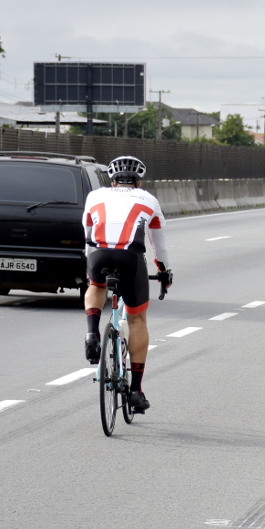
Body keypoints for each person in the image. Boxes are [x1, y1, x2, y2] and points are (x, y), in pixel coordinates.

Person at [82, 155, 172, 413]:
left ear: (111, 181)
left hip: (98, 255)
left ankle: (92, 332)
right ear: (139, 182)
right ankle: (135, 391)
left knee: (96, 286)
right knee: (137, 320)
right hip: (130, 258)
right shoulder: (149, 200)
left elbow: (86, 231)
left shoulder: (94, 196)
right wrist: (164, 272)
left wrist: (90, 265)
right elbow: (159, 245)